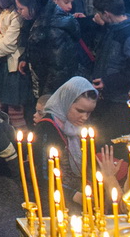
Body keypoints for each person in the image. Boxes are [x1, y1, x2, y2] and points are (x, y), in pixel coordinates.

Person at [88, 0, 130, 139]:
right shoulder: (113, 28)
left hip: (122, 101)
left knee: (116, 140)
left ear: (107, 14)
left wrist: (107, 82)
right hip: (110, 97)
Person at [32, 77, 100, 205]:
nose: (84, 117)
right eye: (80, 111)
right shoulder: (46, 127)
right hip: (54, 200)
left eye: (89, 112)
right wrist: (75, 195)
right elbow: (43, 176)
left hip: (83, 194)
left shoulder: (79, 126)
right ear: (66, 101)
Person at [16, 0, 80, 97]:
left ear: (33, 6)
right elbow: (34, 42)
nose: (19, 12)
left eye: (21, 9)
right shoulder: (36, 18)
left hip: (52, 87)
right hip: (41, 77)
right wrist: (25, 57)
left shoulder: (54, 28)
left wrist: (46, 97)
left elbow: (58, 68)